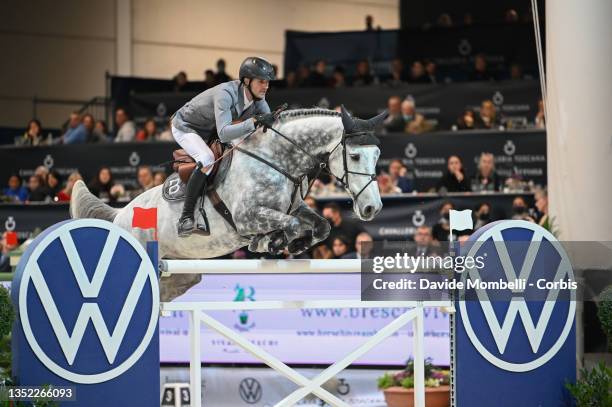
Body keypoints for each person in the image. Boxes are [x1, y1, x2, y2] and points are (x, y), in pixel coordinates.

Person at [171, 56, 276, 236]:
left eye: (267, 82)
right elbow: (224, 133)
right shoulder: (226, 93)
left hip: (210, 129)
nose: (266, 86)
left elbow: (270, 128)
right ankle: (186, 218)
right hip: (186, 126)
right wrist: (254, 121)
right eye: (261, 82)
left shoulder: (259, 100)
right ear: (247, 80)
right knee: (207, 159)